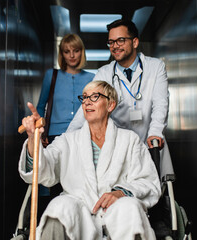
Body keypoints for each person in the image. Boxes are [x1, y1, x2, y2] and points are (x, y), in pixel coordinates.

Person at [19, 81, 161, 240]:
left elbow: (149, 182)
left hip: (116, 211)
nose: (87, 102)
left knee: (130, 207)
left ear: (110, 105)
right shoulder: (67, 141)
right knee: (59, 206)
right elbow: (41, 170)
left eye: (95, 97)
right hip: (79, 212)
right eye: (85, 97)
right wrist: (33, 138)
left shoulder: (130, 140)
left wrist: (122, 193)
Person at [67, 19, 172, 177]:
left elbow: (160, 103)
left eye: (120, 40)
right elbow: (88, 107)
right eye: (111, 42)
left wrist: (155, 132)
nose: (115, 46)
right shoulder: (104, 73)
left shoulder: (155, 67)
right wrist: (66, 139)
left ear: (135, 42)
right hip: (118, 148)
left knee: (153, 191)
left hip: (149, 142)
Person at [37, 33, 94, 146]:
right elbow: (40, 106)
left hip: (84, 133)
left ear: (81, 52)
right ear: (62, 54)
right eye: (67, 52)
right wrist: (40, 132)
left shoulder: (91, 78)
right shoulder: (51, 75)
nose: (72, 55)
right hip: (55, 134)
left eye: (76, 51)